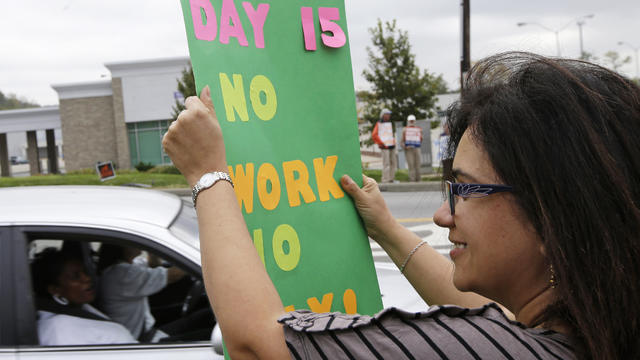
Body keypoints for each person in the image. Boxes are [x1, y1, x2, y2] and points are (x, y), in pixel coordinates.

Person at [162, 51, 640, 359]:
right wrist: (388, 228)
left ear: (552, 216)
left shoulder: (501, 349)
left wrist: (207, 173)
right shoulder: (597, 325)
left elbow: (256, 343)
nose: (442, 215)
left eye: (466, 189)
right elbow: (488, 315)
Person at [31, 248, 136, 346]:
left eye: (84, 272)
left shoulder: (81, 308)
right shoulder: (57, 329)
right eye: (76, 276)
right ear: (55, 290)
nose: (87, 278)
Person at [97, 244, 187, 341]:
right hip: (139, 340)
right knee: (200, 323)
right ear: (123, 249)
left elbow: (153, 266)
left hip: (146, 332)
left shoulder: (128, 266)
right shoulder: (121, 274)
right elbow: (173, 275)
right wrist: (201, 258)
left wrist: (152, 251)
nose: (138, 244)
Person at [371, 108, 397, 183]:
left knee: (393, 163)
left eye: (389, 114)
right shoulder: (379, 124)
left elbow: (390, 135)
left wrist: (393, 141)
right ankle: (385, 179)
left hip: (392, 146)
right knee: (386, 163)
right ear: (383, 115)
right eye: (387, 114)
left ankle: (391, 179)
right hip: (384, 147)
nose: (389, 116)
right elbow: (374, 135)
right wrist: (381, 143)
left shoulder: (389, 124)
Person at [401, 114, 422, 182]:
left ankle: (418, 179)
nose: (412, 122)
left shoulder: (418, 129)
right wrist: (405, 146)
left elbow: (420, 140)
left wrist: (420, 136)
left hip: (417, 148)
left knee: (418, 164)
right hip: (409, 149)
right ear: (408, 121)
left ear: (415, 121)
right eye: (410, 121)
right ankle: (412, 180)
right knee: (411, 165)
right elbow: (401, 142)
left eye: (413, 121)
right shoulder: (405, 129)